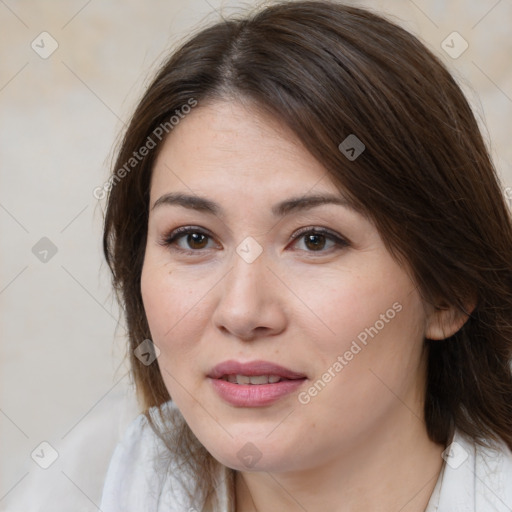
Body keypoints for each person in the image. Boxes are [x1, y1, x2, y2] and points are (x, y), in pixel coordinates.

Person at [99, 1, 512, 510]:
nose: (242, 312)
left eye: (315, 239)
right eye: (194, 238)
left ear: (449, 289)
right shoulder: (93, 476)